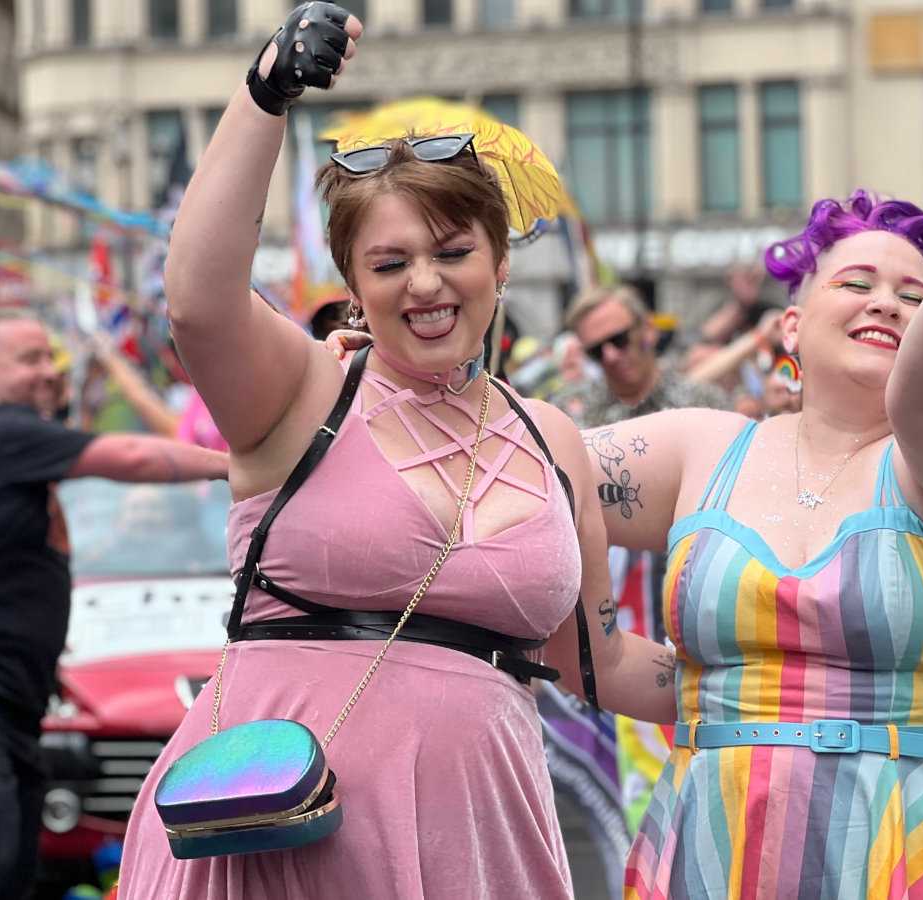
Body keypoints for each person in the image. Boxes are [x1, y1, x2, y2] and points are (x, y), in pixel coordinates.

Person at [114, 6, 675, 898]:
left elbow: (596, 662)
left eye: (454, 251)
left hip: (480, 832)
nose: (424, 284)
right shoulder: (304, 393)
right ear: (352, 285)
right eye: (388, 263)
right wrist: (266, 92)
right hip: (281, 830)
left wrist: (780, 678)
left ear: (500, 262)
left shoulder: (550, 437)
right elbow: (198, 301)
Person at [592, 175, 923, 897]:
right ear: (790, 325)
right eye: (857, 282)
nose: (886, 301)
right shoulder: (707, 447)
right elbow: (531, 474)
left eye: (915, 295)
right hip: (719, 839)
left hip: (920, 845)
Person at [0, 311, 228, 900]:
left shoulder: (3, 445)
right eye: (31, 359)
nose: (49, 371)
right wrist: (237, 469)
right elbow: (133, 459)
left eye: (52, 358)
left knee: (11, 869)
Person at [552, 285, 729, 427]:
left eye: (619, 339)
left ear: (648, 330)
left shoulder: (703, 403)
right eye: (596, 350)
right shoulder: (568, 416)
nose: (610, 356)